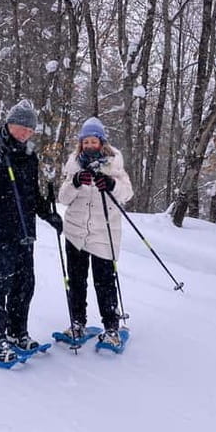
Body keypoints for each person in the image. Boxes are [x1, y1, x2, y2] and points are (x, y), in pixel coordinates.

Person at [0, 101, 63, 363]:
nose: (25, 134)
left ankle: (17, 331)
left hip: (24, 232)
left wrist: (48, 214)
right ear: (9, 124)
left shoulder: (28, 156)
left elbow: (31, 195)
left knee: (24, 285)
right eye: (21, 128)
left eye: (29, 131)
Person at [58, 117, 133, 347]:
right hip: (75, 233)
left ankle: (111, 328)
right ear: (81, 144)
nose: (90, 145)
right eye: (86, 141)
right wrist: (76, 182)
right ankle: (77, 322)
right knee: (77, 281)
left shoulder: (114, 165)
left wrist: (111, 185)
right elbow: (63, 198)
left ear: (101, 143)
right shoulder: (73, 166)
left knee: (104, 282)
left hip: (104, 233)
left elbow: (127, 193)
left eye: (94, 141)